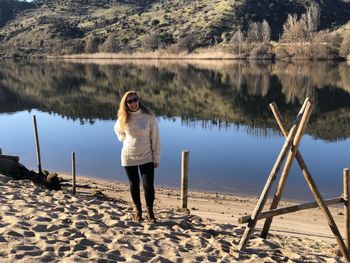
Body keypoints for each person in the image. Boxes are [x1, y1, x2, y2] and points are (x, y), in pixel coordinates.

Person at [114, 90, 161, 223]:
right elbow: (117, 129)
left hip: (147, 156)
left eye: (135, 100)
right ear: (126, 103)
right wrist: (125, 139)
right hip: (129, 156)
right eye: (130, 101)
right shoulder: (123, 117)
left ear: (138, 100)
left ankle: (150, 212)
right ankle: (138, 211)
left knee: (148, 186)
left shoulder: (149, 116)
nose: (133, 103)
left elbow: (156, 138)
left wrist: (156, 157)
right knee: (133, 185)